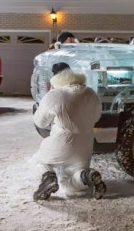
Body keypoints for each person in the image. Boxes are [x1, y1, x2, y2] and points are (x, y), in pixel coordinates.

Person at [32, 63, 106, 200]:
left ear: (55, 78)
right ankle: (85, 176)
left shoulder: (56, 95)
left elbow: (40, 122)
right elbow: (97, 117)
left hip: (61, 143)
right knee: (69, 184)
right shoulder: (91, 93)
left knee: (40, 161)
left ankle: (48, 178)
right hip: (85, 146)